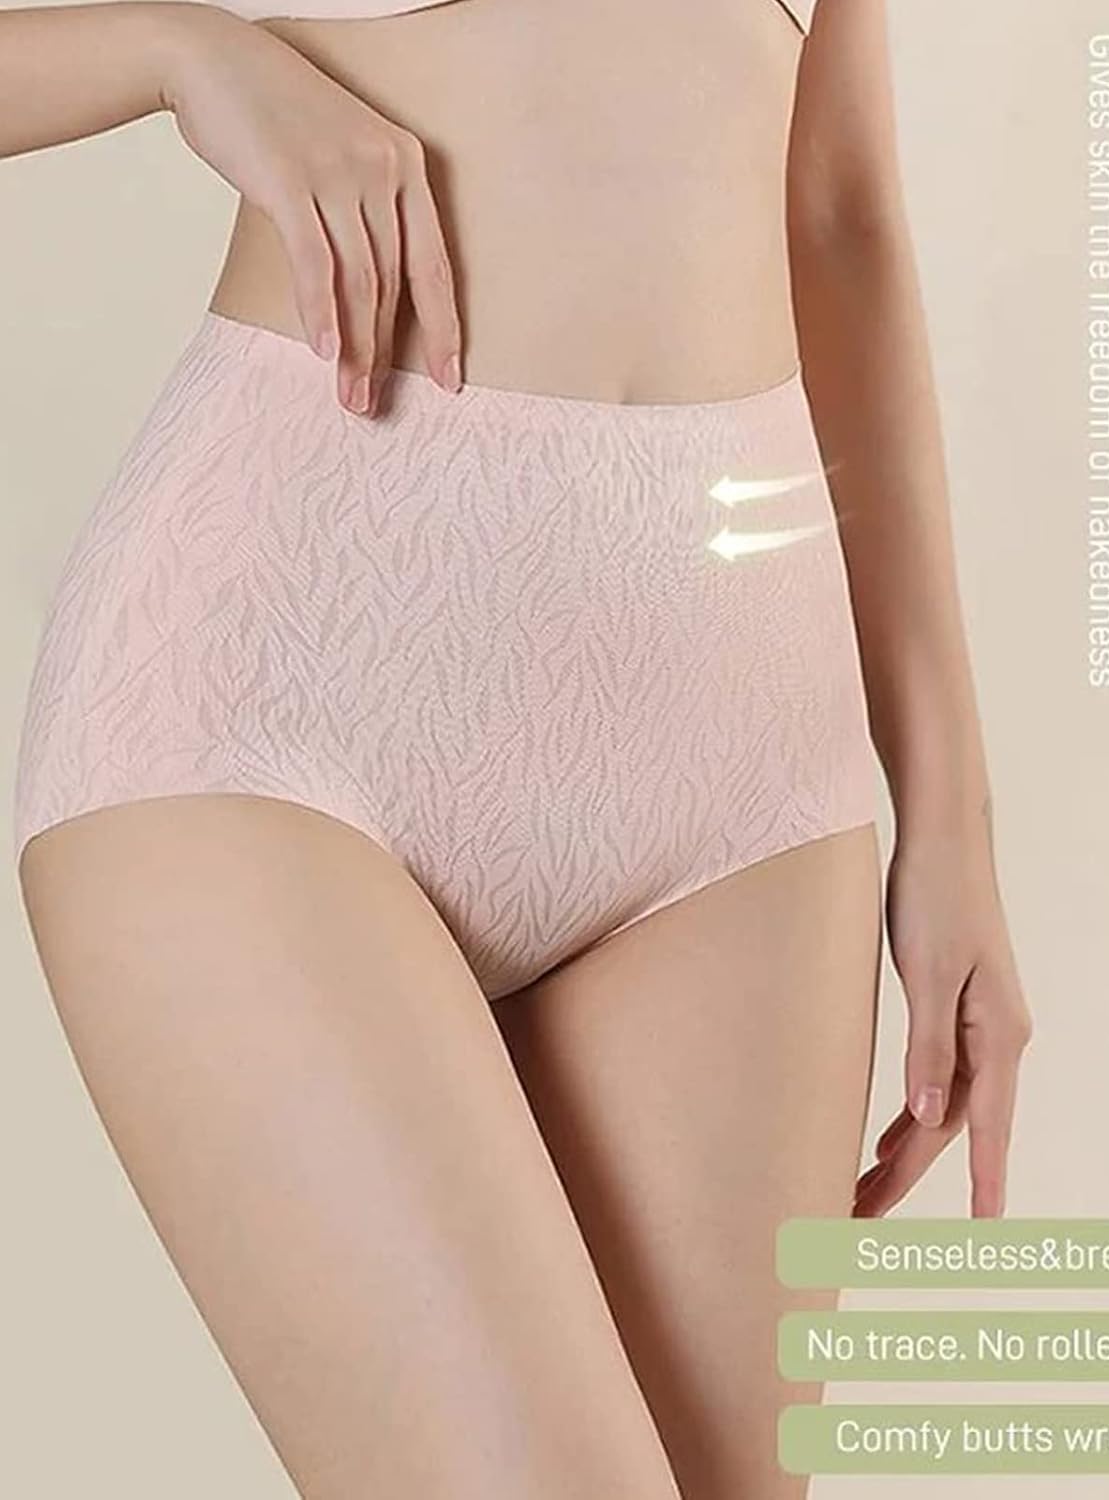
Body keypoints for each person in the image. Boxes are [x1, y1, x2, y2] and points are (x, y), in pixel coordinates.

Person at [3, 1, 1033, 1495]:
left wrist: (951, 820)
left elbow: (838, 210)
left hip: (741, 759)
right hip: (278, 692)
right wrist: (175, 55)